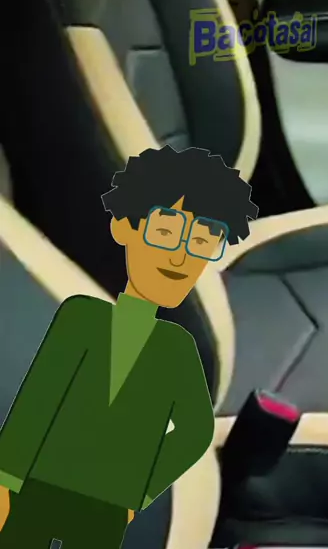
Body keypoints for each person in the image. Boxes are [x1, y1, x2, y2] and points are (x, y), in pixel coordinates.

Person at [0, 145, 259, 548]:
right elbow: (37, 405)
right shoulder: (80, 319)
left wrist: (135, 495)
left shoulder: (177, 348)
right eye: (165, 233)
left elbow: (193, 432)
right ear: (124, 228)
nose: (178, 257)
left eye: (200, 242)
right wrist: (8, 483)